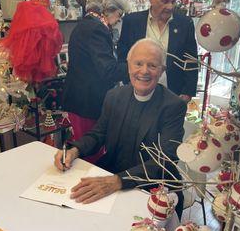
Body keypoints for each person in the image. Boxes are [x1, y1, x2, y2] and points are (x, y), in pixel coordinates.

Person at [55, 38, 187, 217]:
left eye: (152, 66)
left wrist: (118, 181)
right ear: (128, 65)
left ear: (162, 70)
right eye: (138, 63)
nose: (144, 71)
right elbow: (98, 133)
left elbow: (165, 160)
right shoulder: (114, 95)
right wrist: (74, 150)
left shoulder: (173, 106)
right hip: (112, 172)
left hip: (154, 187)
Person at [62, 0, 130, 160]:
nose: (118, 20)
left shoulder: (87, 24)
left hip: (81, 99)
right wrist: (136, 65)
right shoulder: (96, 29)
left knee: (86, 147)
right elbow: (108, 70)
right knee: (91, 151)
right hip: (87, 102)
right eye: (119, 15)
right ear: (109, 9)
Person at [117, 0, 198, 102]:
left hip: (173, 93)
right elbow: (123, 56)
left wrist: (188, 92)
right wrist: (128, 83)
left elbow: (191, 61)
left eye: (173, 1)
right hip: (137, 91)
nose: (170, 7)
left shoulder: (185, 24)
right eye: (165, 1)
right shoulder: (132, 21)